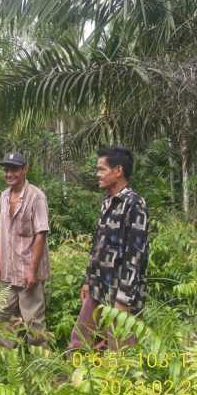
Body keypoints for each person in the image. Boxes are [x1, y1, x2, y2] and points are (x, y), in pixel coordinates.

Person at [69, 146, 149, 351]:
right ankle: (77, 378)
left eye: (102, 169)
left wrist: (124, 298)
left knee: (121, 347)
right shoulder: (107, 202)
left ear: (118, 171)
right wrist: (88, 280)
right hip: (98, 286)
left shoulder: (134, 204)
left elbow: (136, 256)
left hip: (121, 291)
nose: (98, 174)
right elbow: (98, 245)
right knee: (80, 338)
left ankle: (124, 381)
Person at [0, 152, 50, 347]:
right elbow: (2, 231)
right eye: (6, 170)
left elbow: (41, 234)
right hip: (8, 270)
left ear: (25, 169)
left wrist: (32, 270)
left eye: (14, 169)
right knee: (5, 317)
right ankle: (7, 363)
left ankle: (41, 365)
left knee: (33, 320)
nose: (9, 173)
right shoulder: (3, 196)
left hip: (27, 270)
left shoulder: (37, 197)